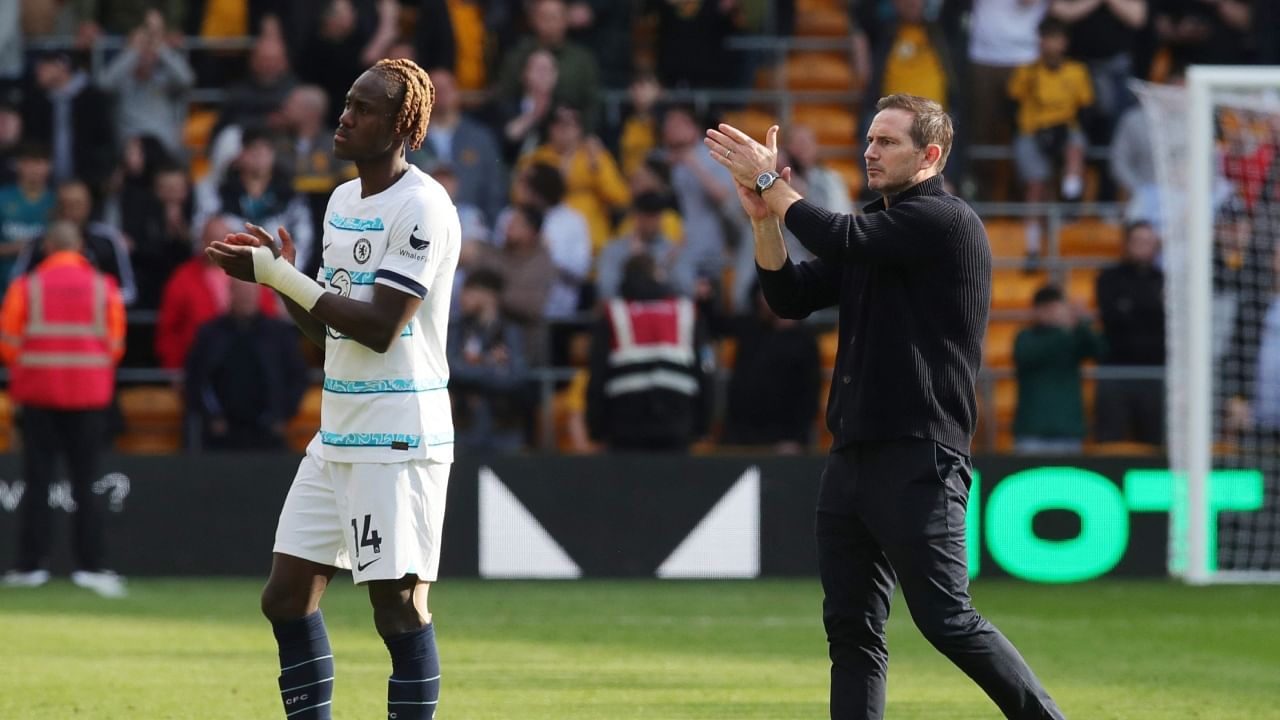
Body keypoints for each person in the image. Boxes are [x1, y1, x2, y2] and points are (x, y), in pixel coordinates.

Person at [706, 94, 1066, 719]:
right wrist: (764, 218)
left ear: (929, 156)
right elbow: (789, 298)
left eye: (887, 142)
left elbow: (837, 233)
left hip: (919, 454)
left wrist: (769, 178)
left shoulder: (946, 223)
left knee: (947, 619)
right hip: (851, 457)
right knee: (851, 634)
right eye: (869, 140)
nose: (870, 152)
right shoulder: (875, 232)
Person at [205, 58, 460, 720]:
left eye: (363, 108)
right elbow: (329, 332)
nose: (345, 116)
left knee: (398, 609)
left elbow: (378, 328)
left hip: (398, 434)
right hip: (339, 430)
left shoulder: (423, 205)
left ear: (402, 123)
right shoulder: (343, 201)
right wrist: (280, 277)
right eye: (346, 102)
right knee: (285, 598)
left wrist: (283, 278)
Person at [0, 221, 126, 598]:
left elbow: (8, 343)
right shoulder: (104, 288)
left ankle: (31, 565)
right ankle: (91, 567)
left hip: (39, 395)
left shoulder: (27, 286)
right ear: (81, 246)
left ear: (47, 247)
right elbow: (116, 345)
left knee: (37, 480)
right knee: (86, 482)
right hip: (89, 396)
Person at [586, 254, 710, 452]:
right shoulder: (686, 312)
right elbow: (704, 371)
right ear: (658, 276)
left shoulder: (613, 314)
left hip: (625, 424)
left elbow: (597, 374)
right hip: (677, 421)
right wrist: (703, 426)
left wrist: (596, 429)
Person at [184, 277, 309, 451]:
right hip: (220, 434)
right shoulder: (210, 333)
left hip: (268, 434)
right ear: (230, 293)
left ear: (258, 294)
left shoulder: (279, 334)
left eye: (250, 292)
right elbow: (196, 380)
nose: (246, 297)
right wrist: (211, 416)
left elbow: (298, 378)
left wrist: (281, 415)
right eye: (241, 292)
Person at [1094, 220, 1165, 445]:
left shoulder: (1165, 280)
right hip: (1116, 371)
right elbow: (1113, 319)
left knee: (1154, 443)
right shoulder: (1109, 278)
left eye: (1148, 241)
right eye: (1137, 241)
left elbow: (1160, 323)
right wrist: (1153, 306)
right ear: (1126, 244)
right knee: (1109, 441)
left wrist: (1132, 307)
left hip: (1155, 373)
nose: (1143, 246)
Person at [1013, 283, 1105, 453]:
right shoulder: (1025, 337)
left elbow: (1100, 350)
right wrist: (1065, 330)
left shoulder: (1073, 335)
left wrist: (1082, 323)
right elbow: (1028, 356)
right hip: (1032, 430)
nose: (1053, 314)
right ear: (1036, 311)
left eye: (1055, 309)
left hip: (1068, 430)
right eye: (1047, 309)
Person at [447, 268, 530, 452]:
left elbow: (515, 377)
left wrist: (472, 366)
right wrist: (489, 363)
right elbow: (449, 369)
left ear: (489, 296)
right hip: (464, 427)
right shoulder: (457, 329)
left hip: (503, 428)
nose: (463, 298)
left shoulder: (510, 332)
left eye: (470, 291)